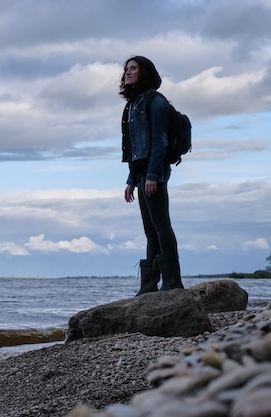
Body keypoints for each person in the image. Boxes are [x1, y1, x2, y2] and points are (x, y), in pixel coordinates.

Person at [119, 55, 184, 295]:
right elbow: (134, 147)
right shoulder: (133, 105)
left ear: (144, 72)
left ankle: (172, 282)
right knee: (150, 230)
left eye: (133, 68)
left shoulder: (156, 102)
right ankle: (149, 286)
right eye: (126, 69)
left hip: (153, 171)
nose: (127, 72)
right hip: (140, 173)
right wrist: (130, 181)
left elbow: (159, 142)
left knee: (161, 225)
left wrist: (153, 175)